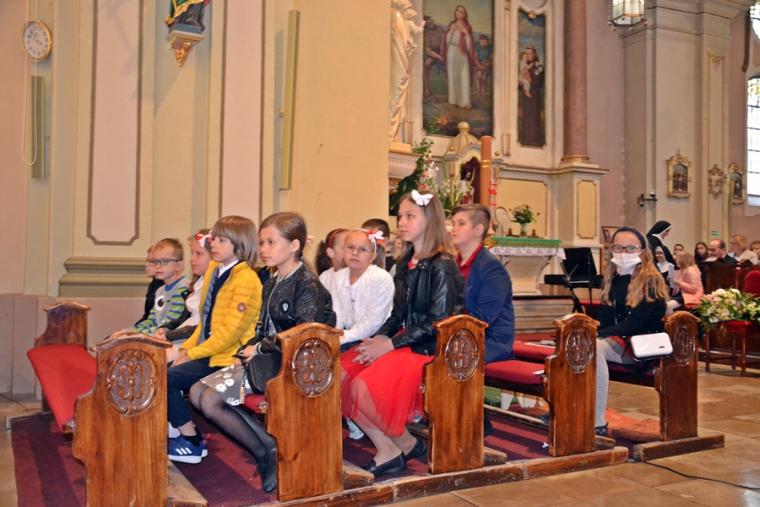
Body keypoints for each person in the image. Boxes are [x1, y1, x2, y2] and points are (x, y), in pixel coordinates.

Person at [190, 212, 335, 492]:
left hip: (294, 366)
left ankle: (265, 450)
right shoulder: (272, 279)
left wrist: (258, 347)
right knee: (197, 392)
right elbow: (262, 326)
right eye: (262, 242)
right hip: (269, 359)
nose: (264, 249)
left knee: (210, 400)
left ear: (294, 246)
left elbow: (302, 335)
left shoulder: (307, 284)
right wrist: (245, 352)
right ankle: (268, 447)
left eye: (271, 242)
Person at [341, 190, 463, 477]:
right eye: (400, 217)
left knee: (362, 387)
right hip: (405, 342)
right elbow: (397, 315)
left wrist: (390, 345)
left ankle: (401, 446)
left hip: (430, 349)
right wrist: (381, 338)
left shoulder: (442, 265)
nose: (402, 223)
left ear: (430, 220)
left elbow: (439, 322)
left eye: (410, 216)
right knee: (342, 374)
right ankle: (394, 447)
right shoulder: (405, 262)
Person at [167, 216, 263, 465]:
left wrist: (193, 354)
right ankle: (190, 437)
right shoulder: (214, 271)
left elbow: (231, 332)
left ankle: (190, 440)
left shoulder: (246, 279)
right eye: (214, 239)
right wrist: (186, 349)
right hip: (211, 352)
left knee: (167, 379)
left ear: (239, 244)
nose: (214, 245)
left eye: (221, 240)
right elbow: (205, 322)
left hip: (230, 356)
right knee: (166, 372)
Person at [595, 227, 668, 437]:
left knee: (593, 347)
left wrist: (598, 335)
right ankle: (566, 412)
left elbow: (635, 323)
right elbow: (605, 318)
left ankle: (597, 423)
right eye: (618, 248)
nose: (623, 253)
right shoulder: (612, 278)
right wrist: (590, 331)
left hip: (643, 347)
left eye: (630, 248)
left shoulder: (651, 280)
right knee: (578, 345)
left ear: (642, 251)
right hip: (620, 341)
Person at [450, 204, 515, 363]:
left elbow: (483, 317)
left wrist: (445, 330)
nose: (453, 229)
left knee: (441, 361)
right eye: (453, 223)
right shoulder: (451, 264)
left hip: (488, 341)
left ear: (478, 230)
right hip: (456, 336)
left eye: (461, 223)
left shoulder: (492, 268)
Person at [331, 230, 395, 349]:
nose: (355, 253)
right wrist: (335, 335)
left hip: (376, 337)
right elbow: (336, 313)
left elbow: (374, 321)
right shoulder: (338, 277)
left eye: (362, 249)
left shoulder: (381, 278)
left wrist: (343, 337)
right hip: (345, 335)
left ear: (373, 256)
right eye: (350, 247)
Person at [162, 230, 213, 348]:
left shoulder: (214, 287)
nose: (192, 259)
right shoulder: (198, 283)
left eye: (198, 254)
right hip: (184, 334)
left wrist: (170, 335)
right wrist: (166, 328)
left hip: (197, 339)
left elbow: (203, 325)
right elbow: (184, 318)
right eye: (192, 253)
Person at [134, 238, 190, 335]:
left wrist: (141, 335)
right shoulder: (160, 291)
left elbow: (171, 324)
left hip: (172, 338)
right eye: (155, 261)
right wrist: (133, 331)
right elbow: (152, 319)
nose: (158, 266)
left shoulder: (183, 288)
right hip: (157, 334)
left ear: (178, 265)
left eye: (164, 261)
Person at [441, 5, 476, 109]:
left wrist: (466, 33)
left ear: (464, 15)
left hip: (462, 52)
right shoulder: (452, 24)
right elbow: (447, 42)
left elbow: (469, 45)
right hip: (452, 51)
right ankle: (454, 100)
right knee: (453, 75)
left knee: (464, 75)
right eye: (457, 11)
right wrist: (452, 31)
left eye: (461, 12)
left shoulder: (467, 26)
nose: (458, 13)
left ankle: (465, 102)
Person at [138, 245, 163, 324]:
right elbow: (147, 316)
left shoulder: (164, 287)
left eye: (151, 261)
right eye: (147, 260)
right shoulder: (153, 284)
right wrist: (131, 329)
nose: (146, 264)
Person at [475, 34, 492, 100]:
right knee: (479, 76)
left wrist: (488, 63)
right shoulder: (478, 47)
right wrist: (479, 65)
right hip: (479, 65)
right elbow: (475, 58)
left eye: (485, 42)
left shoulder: (490, 47)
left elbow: (491, 58)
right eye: (481, 42)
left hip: (486, 65)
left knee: (484, 79)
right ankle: (479, 94)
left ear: (487, 42)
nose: (483, 44)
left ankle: (483, 94)